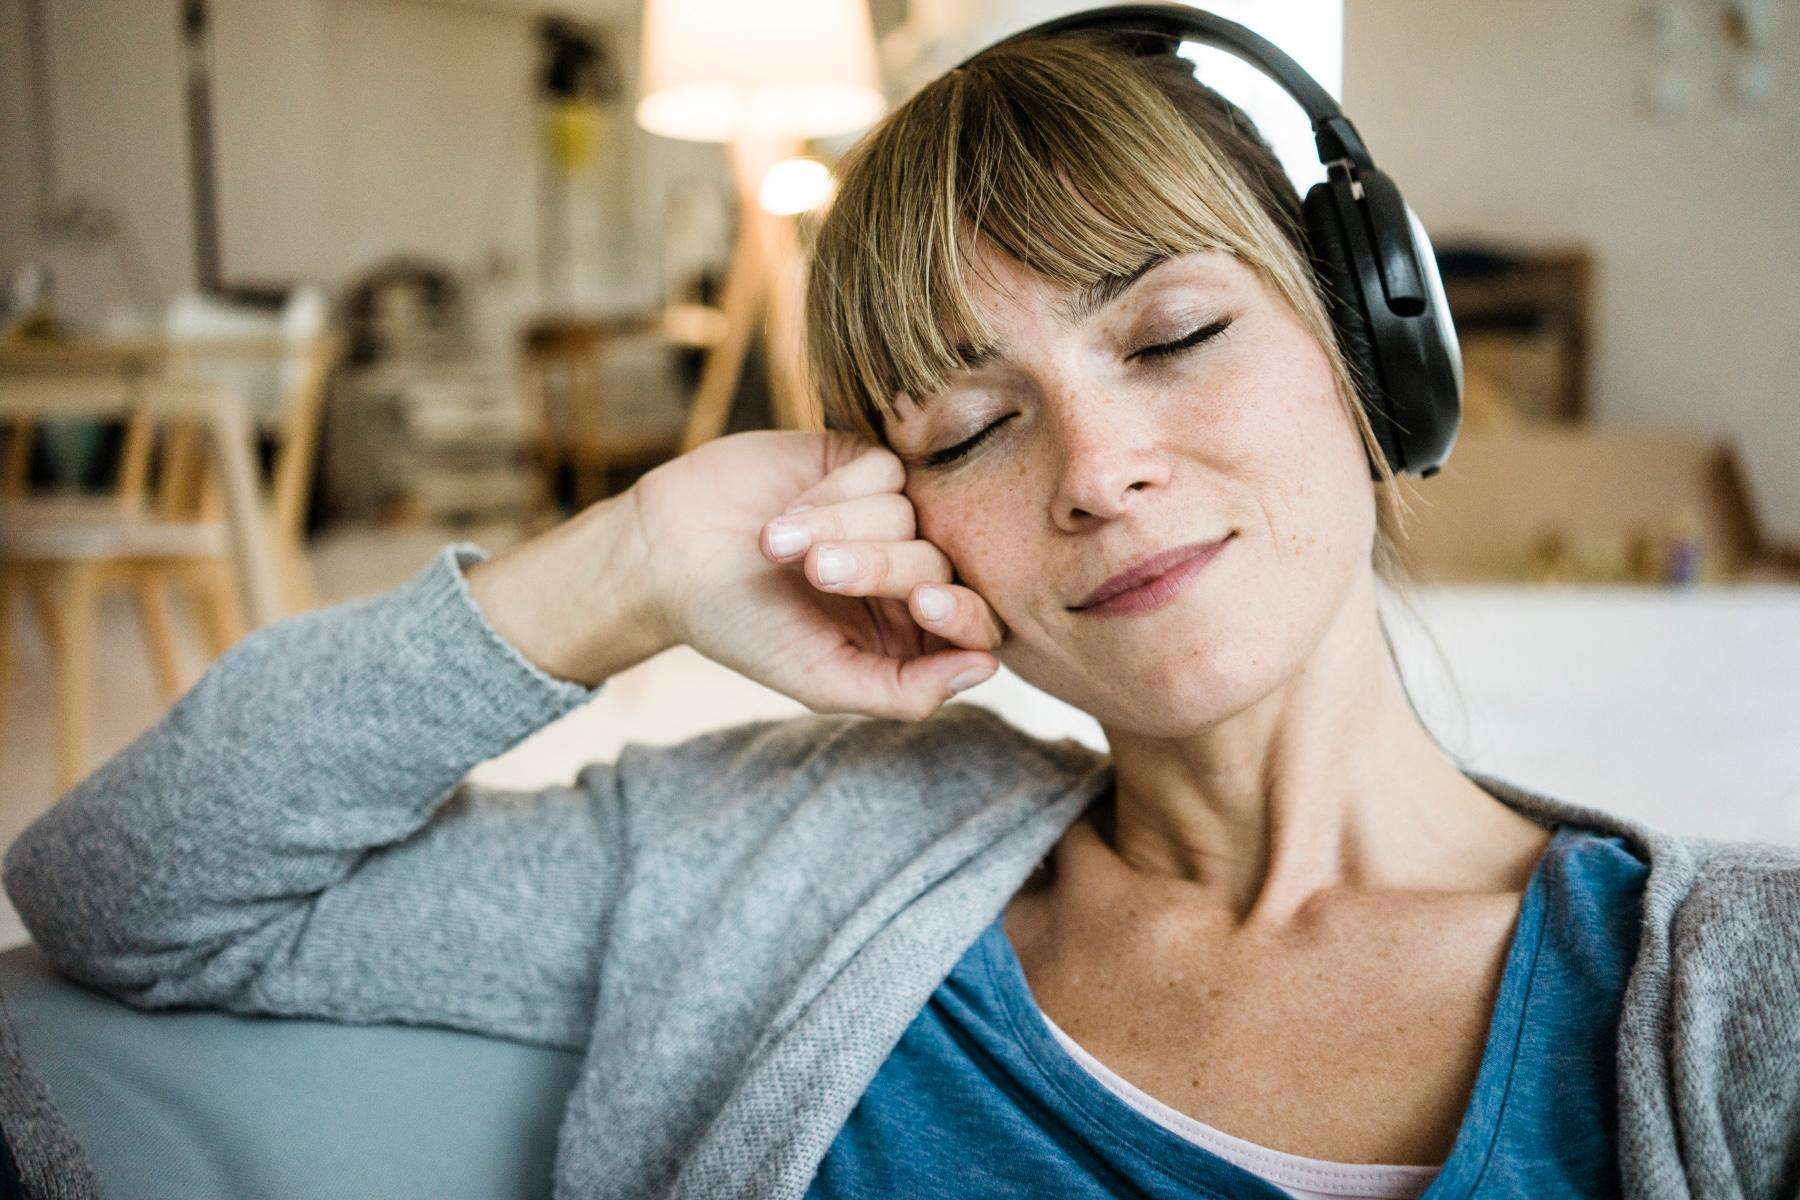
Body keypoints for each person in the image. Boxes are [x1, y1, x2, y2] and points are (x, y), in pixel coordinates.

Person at [6, 20, 1798, 1200]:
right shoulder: (769, 847)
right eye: (971, 425)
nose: (1095, 471)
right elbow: (124, 888)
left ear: (1369, 345)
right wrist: (629, 565)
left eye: (1173, 335)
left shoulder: (1742, 1002)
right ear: (906, 513)